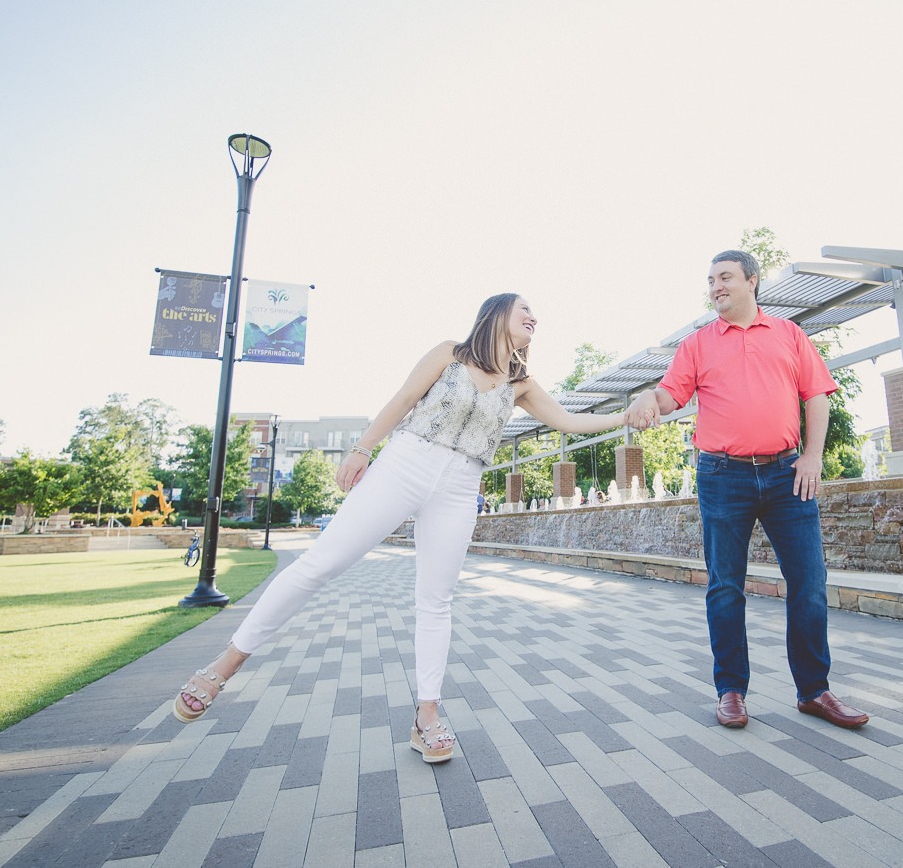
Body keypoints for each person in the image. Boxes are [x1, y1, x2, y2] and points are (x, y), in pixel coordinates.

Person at [173, 294, 628, 762]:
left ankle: (426, 716)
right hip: (406, 462)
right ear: (496, 314)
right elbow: (405, 399)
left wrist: (628, 414)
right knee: (319, 564)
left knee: (436, 600)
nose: (535, 317)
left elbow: (571, 421)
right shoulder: (451, 352)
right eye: (524, 309)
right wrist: (361, 449)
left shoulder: (522, 383)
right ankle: (224, 665)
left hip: (461, 483)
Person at [625, 249, 869, 731]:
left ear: (751, 281)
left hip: (787, 473)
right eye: (711, 279)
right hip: (722, 476)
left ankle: (814, 691)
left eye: (725, 277)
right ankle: (731, 691)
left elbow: (816, 394)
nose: (716, 286)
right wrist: (644, 395)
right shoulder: (696, 344)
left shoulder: (789, 334)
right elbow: (671, 396)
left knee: (809, 583)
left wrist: (813, 456)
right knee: (724, 586)